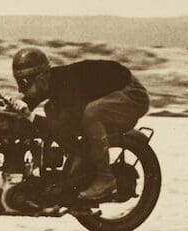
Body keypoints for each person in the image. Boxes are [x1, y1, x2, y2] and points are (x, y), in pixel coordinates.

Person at [10, 47, 150, 200]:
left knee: (91, 114)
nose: (22, 87)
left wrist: (29, 116)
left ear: (41, 78)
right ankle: (74, 166)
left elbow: (63, 129)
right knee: (51, 109)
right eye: (19, 82)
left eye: (25, 82)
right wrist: (11, 104)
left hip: (132, 94)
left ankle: (106, 178)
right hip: (111, 93)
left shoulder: (67, 88)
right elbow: (31, 98)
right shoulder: (48, 81)